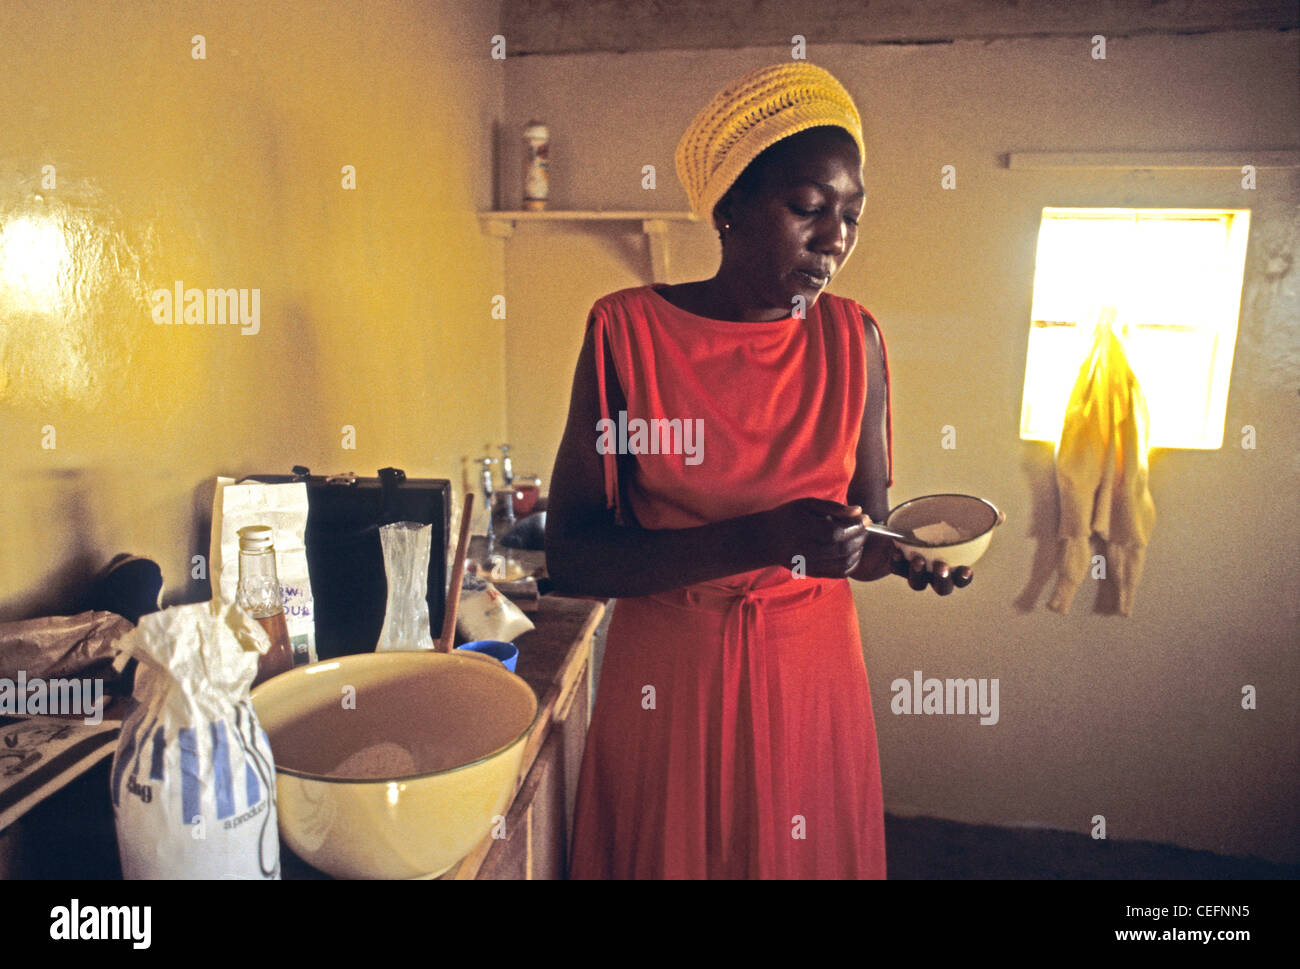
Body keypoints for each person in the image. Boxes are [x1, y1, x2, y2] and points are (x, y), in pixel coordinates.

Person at [545, 62, 972, 880]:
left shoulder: (855, 339)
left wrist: (905, 554)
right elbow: (576, 555)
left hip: (810, 676)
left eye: (851, 215)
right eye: (809, 208)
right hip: (670, 686)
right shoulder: (627, 332)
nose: (834, 239)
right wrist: (763, 540)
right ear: (730, 206)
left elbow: (866, 529)